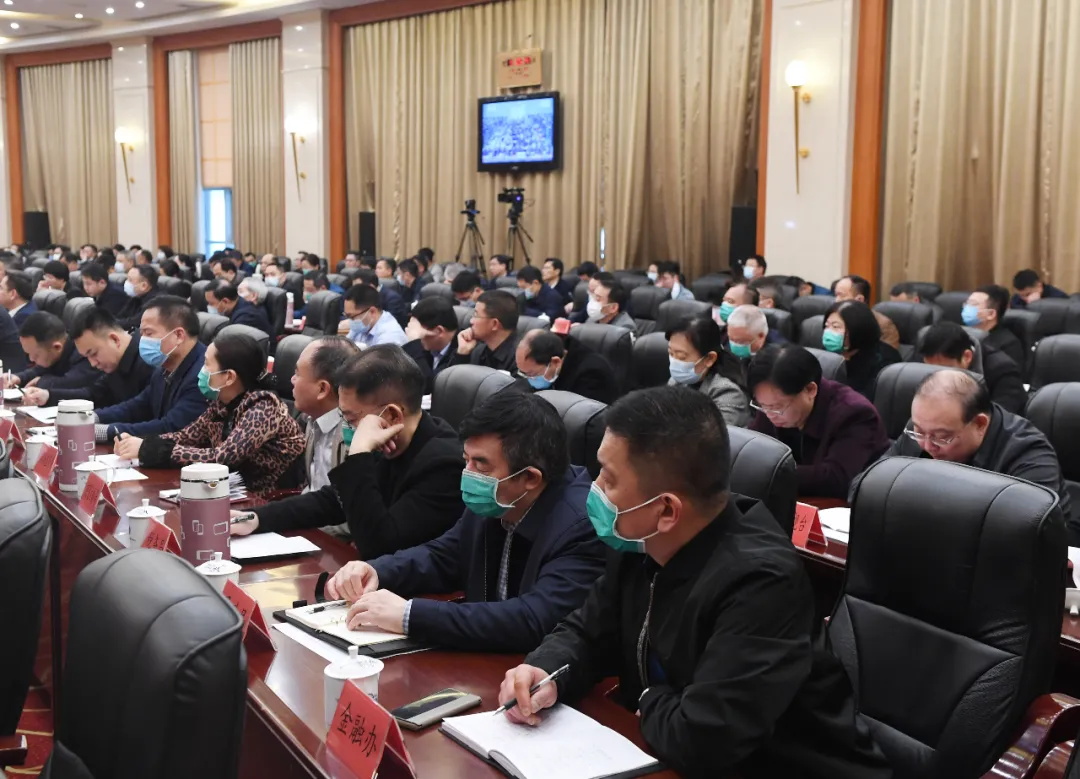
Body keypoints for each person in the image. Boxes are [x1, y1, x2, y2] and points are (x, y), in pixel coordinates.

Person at [499, 386, 891, 779]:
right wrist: (547, 669)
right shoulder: (639, 540)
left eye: (609, 479)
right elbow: (587, 632)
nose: (595, 488)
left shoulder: (762, 583)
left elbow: (704, 738)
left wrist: (649, 699)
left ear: (667, 509)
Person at [324, 391, 606, 652]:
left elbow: (533, 620)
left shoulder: (581, 525)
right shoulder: (498, 497)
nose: (468, 473)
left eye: (480, 464)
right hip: (484, 658)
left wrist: (410, 615)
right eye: (466, 459)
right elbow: (442, 557)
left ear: (530, 477)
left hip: (532, 672)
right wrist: (376, 571)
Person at [232, 345, 465, 554]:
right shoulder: (388, 440)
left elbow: (379, 545)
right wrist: (256, 518)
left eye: (351, 418)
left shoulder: (443, 466)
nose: (345, 426)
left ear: (393, 415)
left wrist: (359, 454)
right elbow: (331, 501)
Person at [873, 369, 1075, 541]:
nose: (926, 445)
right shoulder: (924, 428)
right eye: (918, 431)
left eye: (942, 437)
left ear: (980, 424)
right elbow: (871, 487)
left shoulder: (1027, 452)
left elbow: (1027, 533)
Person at [120, 331, 304, 496]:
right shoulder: (222, 403)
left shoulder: (263, 406)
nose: (202, 371)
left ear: (229, 377)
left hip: (268, 499)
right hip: (232, 494)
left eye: (207, 364)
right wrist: (141, 443)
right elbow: (186, 437)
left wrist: (150, 450)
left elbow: (224, 457)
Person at [749, 344, 888, 498]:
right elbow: (753, 448)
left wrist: (769, 471)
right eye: (762, 405)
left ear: (810, 390)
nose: (770, 414)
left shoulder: (855, 414)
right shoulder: (770, 404)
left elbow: (835, 478)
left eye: (777, 407)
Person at [94, 296, 207, 442]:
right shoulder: (164, 366)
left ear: (179, 335)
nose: (142, 340)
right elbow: (138, 406)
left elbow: (171, 427)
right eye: (141, 334)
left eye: (148, 333)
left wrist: (105, 431)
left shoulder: (203, 375)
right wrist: (94, 417)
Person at [21, 308, 154, 409]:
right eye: (87, 357)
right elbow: (93, 395)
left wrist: (98, 420)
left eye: (93, 354)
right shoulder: (114, 364)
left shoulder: (149, 362)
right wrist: (48, 396)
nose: (92, 363)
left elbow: (136, 412)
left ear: (114, 339)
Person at [290, 336, 361, 500]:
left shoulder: (354, 438)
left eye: (297, 373)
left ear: (322, 389)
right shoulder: (311, 420)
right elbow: (313, 490)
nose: (292, 380)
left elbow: (344, 507)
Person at [919, 322, 1025, 414]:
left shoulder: (1003, 370)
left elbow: (1000, 418)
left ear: (967, 357)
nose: (938, 377)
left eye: (944, 370)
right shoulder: (922, 359)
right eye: (930, 369)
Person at [666, 316, 750, 427]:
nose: (674, 361)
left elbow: (716, 435)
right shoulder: (677, 379)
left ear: (709, 359)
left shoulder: (728, 392)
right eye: (671, 353)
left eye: (681, 357)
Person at [823, 300, 902, 398]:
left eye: (835, 327)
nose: (828, 332)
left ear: (857, 329)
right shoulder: (827, 353)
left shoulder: (885, 360)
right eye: (826, 326)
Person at [3, 312, 100, 391]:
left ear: (57, 347)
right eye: (28, 354)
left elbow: (73, 382)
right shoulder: (51, 354)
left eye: (36, 355)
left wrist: (42, 382)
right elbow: (39, 370)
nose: (31, 359)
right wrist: (19, 377)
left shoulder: (83, 352)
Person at [515, 329, 618, 403]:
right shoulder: (542, 360)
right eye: (523, 373)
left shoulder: (592, 374)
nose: (529, 379)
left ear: (555, 362)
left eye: (532, 374)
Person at [452, 290, 520, 372]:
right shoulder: (476, 349)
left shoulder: (521, 359)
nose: (471, 321)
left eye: (476, 315)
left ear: (494, 324)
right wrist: (462, 354)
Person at [402, 297, 459, 393]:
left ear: (439, 331)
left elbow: (428, 387)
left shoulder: (462, 352)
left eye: (418, 332)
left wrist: (414, 342)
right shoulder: (430, 345)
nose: (418, 340)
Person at [964, 284, 1026, 367]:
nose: (967, 308)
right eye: (967, 303)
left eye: (973, 304)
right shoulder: (962, 334)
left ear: (991, 314)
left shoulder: (1008, 345)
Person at [342, 284, 408, 347]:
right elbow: (346, 346)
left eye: (351, 317)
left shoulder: (390, 337)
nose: (350, 321)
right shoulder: (363, 325)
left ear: (372, 311)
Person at [205, 280, 273, 336]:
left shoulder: (246, 317)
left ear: (225, 301)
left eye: (211, 303)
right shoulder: (238, 304)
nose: (209, 306)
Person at [117, 265, 162, 331]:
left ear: (144, 285)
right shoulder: (136, 297)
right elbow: (120, 316)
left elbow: (136, 323)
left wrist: (112, 324)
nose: (126, 283)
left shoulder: (156, 302)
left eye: (130, 280)